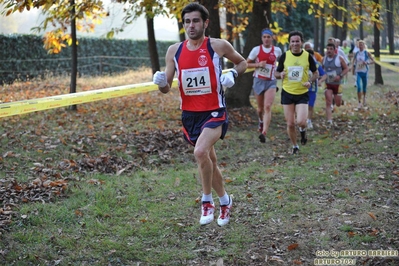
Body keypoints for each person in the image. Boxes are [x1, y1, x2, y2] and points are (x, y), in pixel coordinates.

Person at [153, 3, 247, 226]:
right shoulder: (174, 51)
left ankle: (207, 202)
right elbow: (166, 87)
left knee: (200, 151)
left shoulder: (217, 45)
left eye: (195, 21)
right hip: (190, 115)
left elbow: (242, 62)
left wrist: (233, 73)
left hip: (214, 111)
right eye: (187, 21)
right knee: (209, 160)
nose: (191, 25)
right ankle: (226, 201)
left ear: (205, 23)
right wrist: (160, 83)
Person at [275, 31, 318, 154]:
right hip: (287, 93)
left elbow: (316, 73)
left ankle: (303, 131)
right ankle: (295, 146)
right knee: (290, 123)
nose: (295, 44)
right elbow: (276, 73)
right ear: (289, 43)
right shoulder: (285, 56)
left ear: (301, 42)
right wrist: (280, 74)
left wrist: (310, 81)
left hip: (302, 93)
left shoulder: (307, 56)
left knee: (301, 121)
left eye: (297, 41)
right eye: (293, 41)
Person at [246, 28, 282, 143]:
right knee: (260, 109)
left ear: (272, 38)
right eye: (264, 37)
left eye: (268, 37)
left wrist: (280, 72)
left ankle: (264, 132)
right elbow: (246, 64)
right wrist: (258, 64)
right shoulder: (256, 50)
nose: (266, 39)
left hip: (271, 81)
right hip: (258, 80)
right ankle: (261, 121)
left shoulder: (277, 50)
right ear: (262, 38)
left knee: (267, 106)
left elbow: (282, 63)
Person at [322, 43, 349, 126]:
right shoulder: (324, 59)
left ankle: (337, 100)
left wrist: (340, 75)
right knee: (328, 102)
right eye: (327, 49)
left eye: (331, 49)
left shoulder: (339, 58)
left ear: (334, 50)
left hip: (337, 84)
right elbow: (322, 69)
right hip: (328, 83)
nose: (329, 50)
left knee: (338, 104)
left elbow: (346, 69)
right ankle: (329, 121)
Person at [305, 49, 326, 130]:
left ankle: (309, 120)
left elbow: (324, 75)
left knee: (310, 105)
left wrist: (320, 81)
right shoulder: (301, 64)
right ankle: (303, 119)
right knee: (303, 105)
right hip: (302, 89)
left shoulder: (316, 65)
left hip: (312, 89)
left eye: (311, 56)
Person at [351, 40, 375, 108]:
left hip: (365, 72)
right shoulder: (356, 53)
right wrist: (352, 68)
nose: (360, 46)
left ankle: (364, 98)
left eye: (362, 45)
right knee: (359, 87)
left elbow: (373, 61)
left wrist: (367, 63)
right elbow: (353, 62)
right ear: (358, 46)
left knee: (364, 87)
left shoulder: (367, 53)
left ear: (364, 46)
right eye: (359, 45)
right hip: (358, 72)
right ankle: (359, 102)